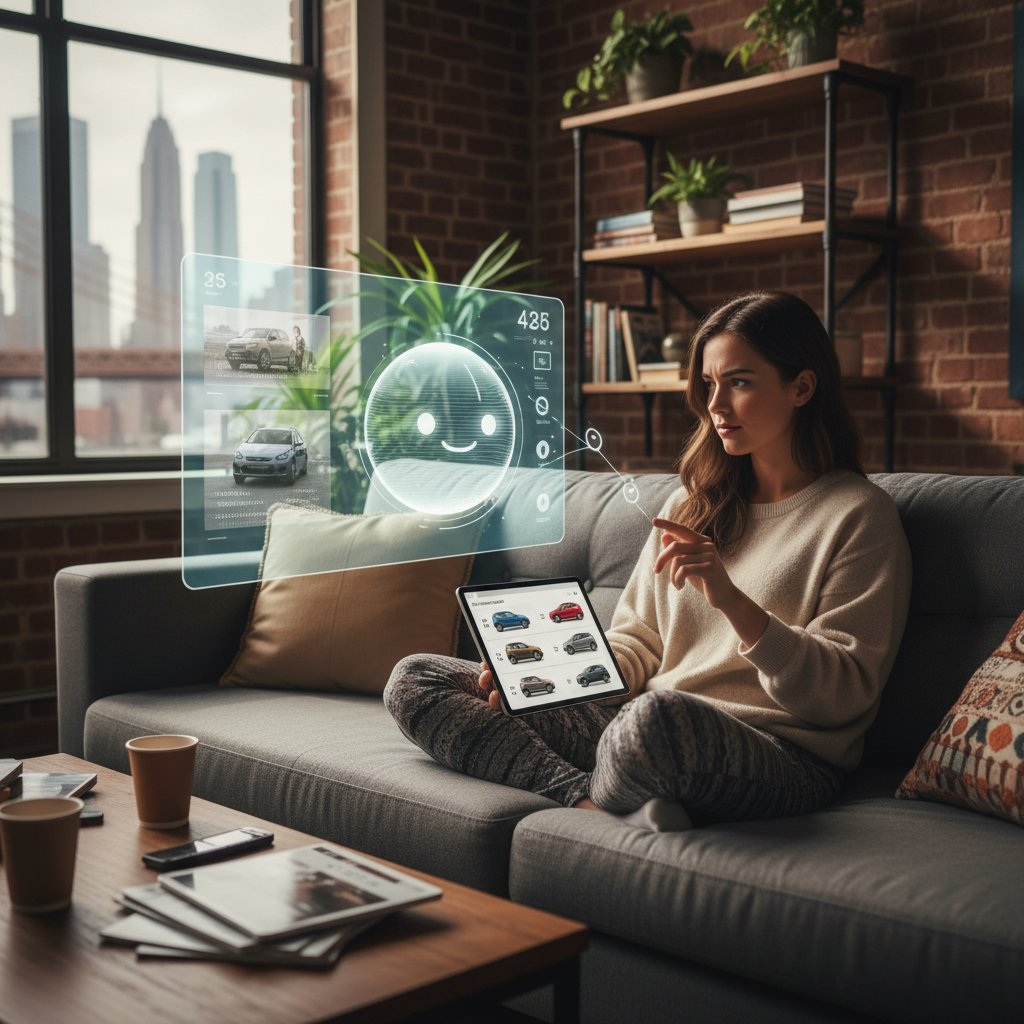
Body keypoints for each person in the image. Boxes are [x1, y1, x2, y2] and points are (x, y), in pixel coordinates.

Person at [383, 291, 912, 830]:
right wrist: (555, 676)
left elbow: (841, 696)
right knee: (418, 678)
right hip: (641, 725)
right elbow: (636, 641)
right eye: (708, 384)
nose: (716, 405)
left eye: (739, 382)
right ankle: (587, 801)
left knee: (653, 721)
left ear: (802, 387)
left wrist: (730, 599)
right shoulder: (691, 504)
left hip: (778, 753)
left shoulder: (858, 515)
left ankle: (621, 784)